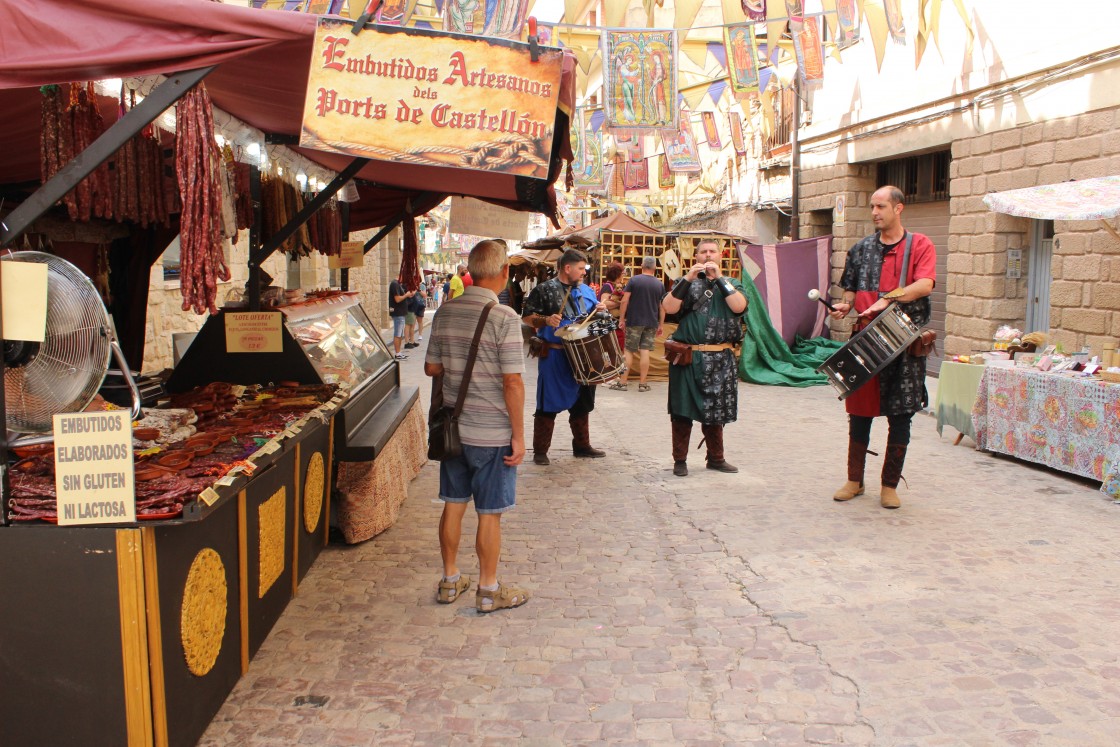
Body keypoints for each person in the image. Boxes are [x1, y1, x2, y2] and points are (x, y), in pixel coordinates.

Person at [424, 239, 530, 613]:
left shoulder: (445, 312)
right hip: (492, 435)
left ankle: (450, 581)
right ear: (504, 273)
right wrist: (519, 437)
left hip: (454, 430)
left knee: (452, 505)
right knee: (489, 513)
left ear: (470, 271)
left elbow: (431, 368)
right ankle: (488, 589)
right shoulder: (504, 318)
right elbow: (512, 382)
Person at [827, 185, 936, 509]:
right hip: (865, 342)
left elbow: (925, 284)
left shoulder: (920, 245)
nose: (875, 212)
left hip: (903, 343)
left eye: (881, 206)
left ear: (898, 208)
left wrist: (885, 299)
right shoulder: (860, 249)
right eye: (872, 206)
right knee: (859, 413)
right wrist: (845, 305)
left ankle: (889, 485)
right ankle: (854, 480)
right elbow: (850, 290)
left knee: (901, 414)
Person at [661, 239, 747, 477]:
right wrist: (687, 279)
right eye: (703, 252)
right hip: (689, 358)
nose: (708, 255)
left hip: (720, 358)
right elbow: (668, 307)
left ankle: (716, 458)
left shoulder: (733, 283)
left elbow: (738, 307)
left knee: (715, 410)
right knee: (681, 411)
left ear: (720, 256)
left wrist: (719, 279)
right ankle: (680, 460)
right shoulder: (684, 282)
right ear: (696, 256)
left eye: (712, 251)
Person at [522, 249, 609, 465]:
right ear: (567, 268)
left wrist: (601, 310)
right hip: (555, 355)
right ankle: (540, 451)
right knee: (548, 402)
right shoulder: (544, 289)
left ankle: (582, 446)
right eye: (580, 269)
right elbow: (527, 318)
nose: (583, 273)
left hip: (584, 356)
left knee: (583, 401)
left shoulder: (587, 291)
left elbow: (593, 320)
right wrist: (545, 320)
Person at [612, 256, 666, 392]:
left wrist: (621, 319)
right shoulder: (659, 284)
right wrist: (661, 324)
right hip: (651, 322)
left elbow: (625, 301)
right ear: (655, 267)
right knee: (645, 351)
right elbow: (662, 306)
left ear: (642, 265)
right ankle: (643, 384)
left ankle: (623, 382)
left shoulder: (634, 280)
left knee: (629, 351)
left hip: (635, 320)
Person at [598, 261, 626, 357]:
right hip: (611, 325)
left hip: (614, 325)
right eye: (622, 273)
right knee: (615, 353)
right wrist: (621, 302)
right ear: (617, 274)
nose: (623, 275)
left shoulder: (613, 286)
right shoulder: (608, 286)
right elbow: (604, 303)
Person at [388, 275, 416, 360]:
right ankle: (397, 353)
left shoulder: (398, 284)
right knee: (398, 334)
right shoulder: (395, 284)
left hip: (401, 313)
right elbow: (397, 299)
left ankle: (399, 352)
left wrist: (410, 293)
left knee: (399, 334)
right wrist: (406, 295)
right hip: (398, 313)